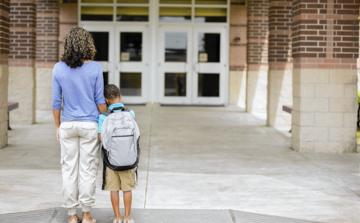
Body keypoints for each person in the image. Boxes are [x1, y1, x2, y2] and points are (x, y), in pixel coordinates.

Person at [52, 27, 106, 223]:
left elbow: (56, 102)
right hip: (89, 125)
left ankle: (72, 216)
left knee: (68, 170)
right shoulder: (95, 68)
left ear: (68, 44)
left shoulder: (58, 68)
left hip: (67, 125)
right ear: (87, 44)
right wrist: (107, 117)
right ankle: (87, 214)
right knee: (88, 170)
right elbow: (100, 99)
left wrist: (58, 126)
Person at [98, 84, 136, 223]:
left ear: (107, 100)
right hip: (128, 159)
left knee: (113, 189)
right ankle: (127, 217)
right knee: (127, 189)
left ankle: (117, 218)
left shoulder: (103, 117)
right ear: (120, 96)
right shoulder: (130, 114)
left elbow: (101, 138)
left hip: (111, 161)